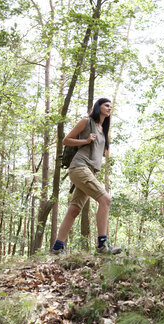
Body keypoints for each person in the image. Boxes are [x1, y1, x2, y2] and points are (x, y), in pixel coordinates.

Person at [51, 98, 122, 255]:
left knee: (75, 209)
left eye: (111, 106)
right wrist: (86, 140)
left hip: (91, 171)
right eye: (106, 105)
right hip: (79, 167)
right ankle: (102, 245)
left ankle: (57, 247)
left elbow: (101, 153)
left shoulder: (103, 130)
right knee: (105, 199)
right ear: (99, 106)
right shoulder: (86, 121)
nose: (109, 108)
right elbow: (66, 140)